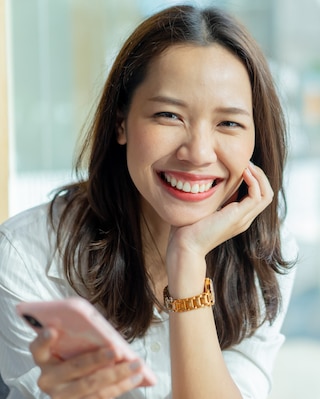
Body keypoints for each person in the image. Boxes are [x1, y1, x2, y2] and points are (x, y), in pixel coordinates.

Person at [0, 4, 297, 399]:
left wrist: (188, 259)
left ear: (255, 140)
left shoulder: (265, 257)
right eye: (169, 116)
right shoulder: (25, 255)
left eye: (229, 123)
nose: (198, 153)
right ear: (121, 122)